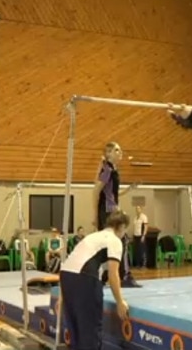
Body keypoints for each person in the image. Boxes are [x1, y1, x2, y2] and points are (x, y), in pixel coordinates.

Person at [60, 210, 130, 350]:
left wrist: (63, 295)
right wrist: (119, 301)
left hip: (66, 276)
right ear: (121, 227)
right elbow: (113, 274)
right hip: (84, 278)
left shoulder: (93, 236)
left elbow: (71, 263)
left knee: (76, 330)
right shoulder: (114, 240)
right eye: (125, 230)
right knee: (89, 329)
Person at [92, 141, 138, 287]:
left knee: (111, 244)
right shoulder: (108, 170)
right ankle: (124, 276)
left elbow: (113, 193)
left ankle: (106, 275)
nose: (120, 152)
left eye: (120, 150)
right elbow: (96, 191)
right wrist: (94, 216)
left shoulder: (113, 169)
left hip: (112, 210)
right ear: (108, 153)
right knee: (121, 241)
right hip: (107, 212)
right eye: (117, 150)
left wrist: (129, 189)